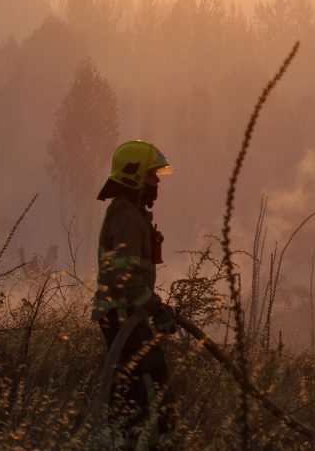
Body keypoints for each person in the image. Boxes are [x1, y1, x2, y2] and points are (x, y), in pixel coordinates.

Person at [92, 140, 177, 448]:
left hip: (126, 312)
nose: (157, 183)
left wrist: (154, 310)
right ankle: (145, 441)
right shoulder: (126, 216)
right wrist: (153, 308)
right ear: (135, 177)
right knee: (148, 377)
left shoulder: (131, 213)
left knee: (134, 381)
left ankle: (129, 439)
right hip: (122, 313)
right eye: (153, 176)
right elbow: (124, 276)